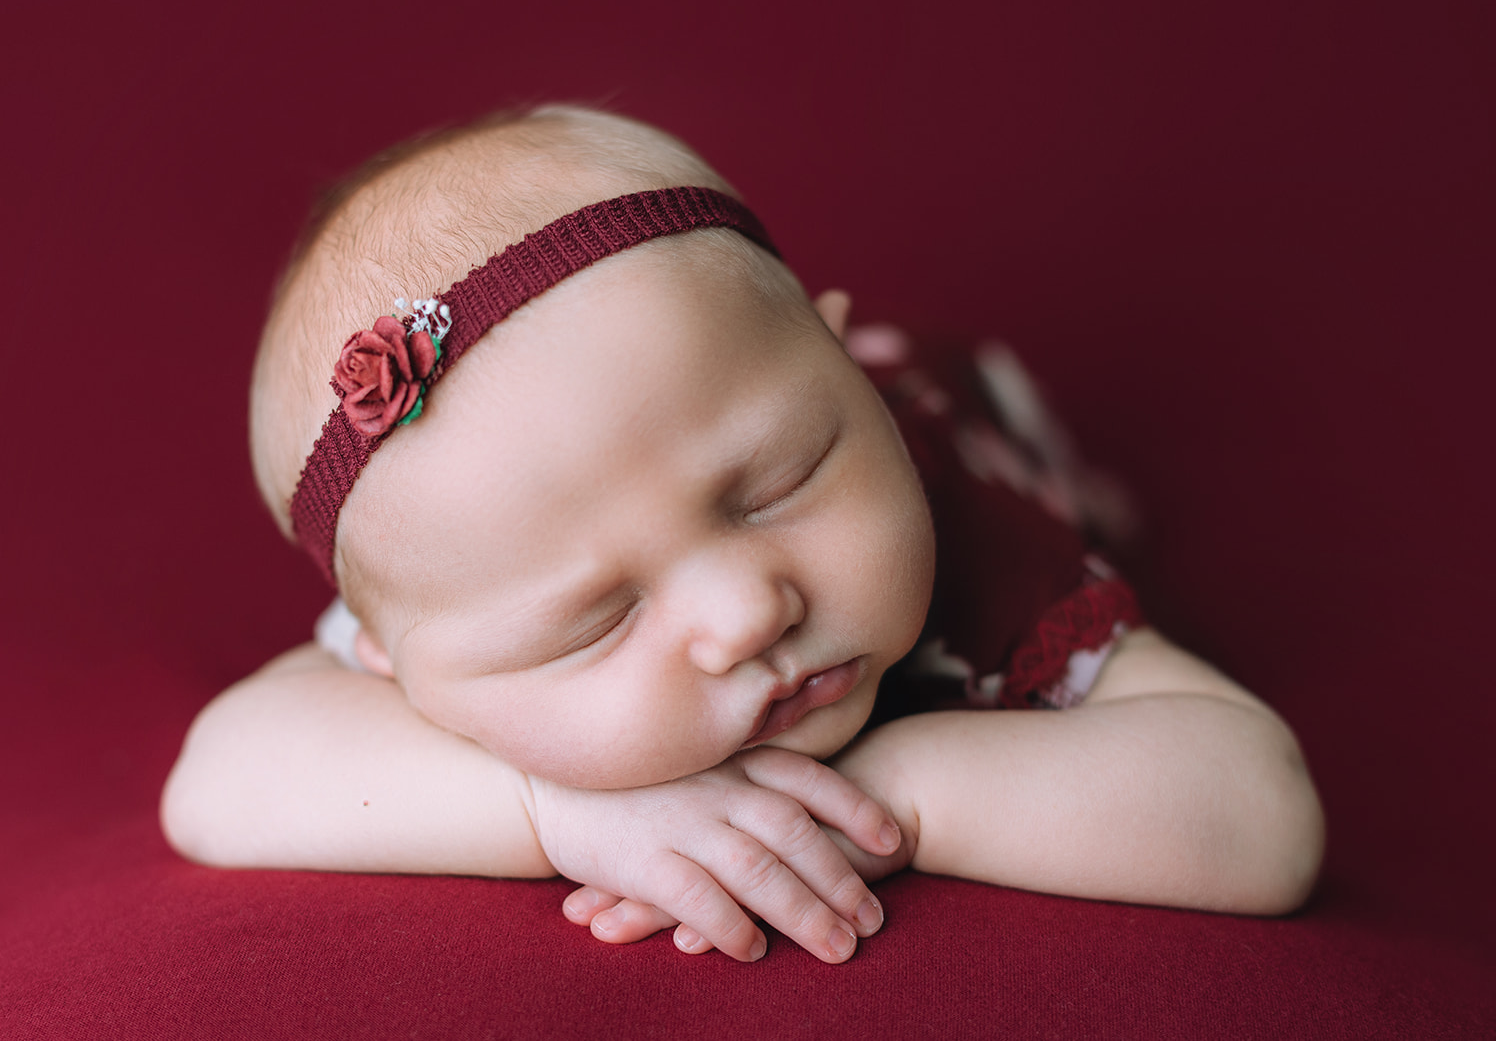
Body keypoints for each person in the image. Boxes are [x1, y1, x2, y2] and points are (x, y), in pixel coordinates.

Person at [161, 105, 1325, 966]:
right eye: (596, 618)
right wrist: (552, 809)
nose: (747, 611)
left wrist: (895, 790)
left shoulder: (971, 544)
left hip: (958, 407)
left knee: (1013, 419)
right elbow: (216, 777)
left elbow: (1262, 812)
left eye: (777, 485)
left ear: (836, 379)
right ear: (386, 656)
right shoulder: (456, 571)